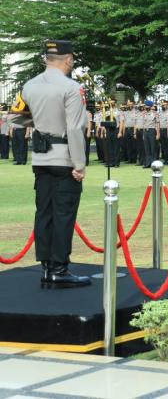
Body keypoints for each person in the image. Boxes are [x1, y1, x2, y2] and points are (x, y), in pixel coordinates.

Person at [10, 40, 90, 287]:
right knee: (64, 213)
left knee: (44, 212)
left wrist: (42, 127)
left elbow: (15, 118)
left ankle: (46, 267)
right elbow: (75, 128)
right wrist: (79, 164)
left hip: (41, 157)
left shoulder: (30, 85)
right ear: (68, 60)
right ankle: (59, 268)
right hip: (64, 156)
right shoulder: (71, 87)